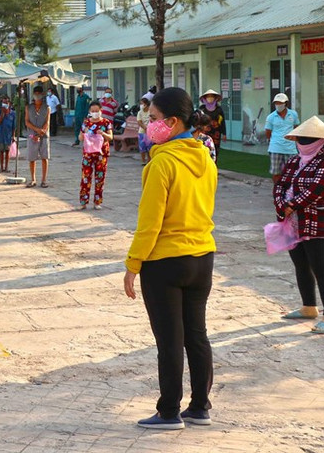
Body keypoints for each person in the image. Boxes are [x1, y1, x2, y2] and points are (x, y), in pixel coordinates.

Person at [123, 87, 217, 430]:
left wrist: (133, 264)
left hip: (166, 261)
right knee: (196, 335)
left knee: (170, 340)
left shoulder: (162, 163)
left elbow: (150, 223)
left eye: (154, 118)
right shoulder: (205, 158)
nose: (149, 124)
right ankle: (200, 406)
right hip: (202, 256)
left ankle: (168, 411)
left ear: (174, 122)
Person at [272, 116, 324, 334]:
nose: (303, 143)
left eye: (308, 139)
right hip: (294, 223)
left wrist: (291, 205)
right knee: (301, 264)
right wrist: (281, 204)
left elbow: (318, 188)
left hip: (317, 222)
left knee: (322, 269)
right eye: (301, 139)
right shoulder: (295, 160)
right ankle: (308, 307)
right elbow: (281, 184)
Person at [79, 101, 113, 210]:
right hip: (88, 154)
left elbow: (110, 137)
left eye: (97, 111)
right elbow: (80, 138)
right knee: (85, 177)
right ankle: (83, 201)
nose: (95, 113)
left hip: (101, 154)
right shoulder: (86, 123)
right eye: (93, 111)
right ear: (89, 111)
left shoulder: (106, 122)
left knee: (100, 178)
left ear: (100, 110)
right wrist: (85, 133)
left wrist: (103, 134)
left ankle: (97, 201)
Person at [265, 92, 301, 183]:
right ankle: (277, 189)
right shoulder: (271, 117)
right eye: (276, 103)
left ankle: (289, 189)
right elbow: (268, 133)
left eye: (280, 103)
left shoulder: (293, 114)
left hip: (290, 148)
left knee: (291, 172)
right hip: (275, 148)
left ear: (285, 103)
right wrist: (276, 140)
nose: (278, 105)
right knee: (276, 172)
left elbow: (296, 128)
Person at [25, 85, 51, 188]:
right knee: (32, 158)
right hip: (32, 135)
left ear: (42, 94)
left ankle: (44, 180)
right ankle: (33, 179)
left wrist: (41, 132)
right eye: (35, 94)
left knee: (44, 157)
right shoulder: (28, 107)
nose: (37, 96)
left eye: (39, 94)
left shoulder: (47, 108)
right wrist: (36, 131)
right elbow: (27, 122)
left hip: (44, 135)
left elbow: (47, 122)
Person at [197, 89, 227, 156]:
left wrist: (224, 133)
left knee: (215, 149)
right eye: (208, 96)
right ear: (205, 98)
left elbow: (222, 121)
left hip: (216, 133)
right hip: (204, 132)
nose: (210, 98)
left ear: (215, 98)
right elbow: (198, 120)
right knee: (204, 148)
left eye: (212, 96)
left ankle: (214, 161)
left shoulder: (219, 109)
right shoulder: (202, 108)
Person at [0, 97, 16, 173]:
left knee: (7, 151)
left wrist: (13, 136)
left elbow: (14, 126)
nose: (5, 104)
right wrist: (3, 113)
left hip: (8, 135)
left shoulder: (13, 114)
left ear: (9, 104)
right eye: (3, 103)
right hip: (1, 135)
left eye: (6, 103)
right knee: (1, 151)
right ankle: (1, 167)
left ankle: (6, 167)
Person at [137, 97, 152, 165]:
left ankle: (149, 161)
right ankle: (143, 161)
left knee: (149, 147)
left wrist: (149, 128)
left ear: (146, 104)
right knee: (142, 147)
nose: (141, 105)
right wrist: (145, 127)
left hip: (150, 132)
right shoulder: (140, 112)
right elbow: (139, 122)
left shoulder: (151, 112)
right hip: (142, 132)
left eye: (142, 104)